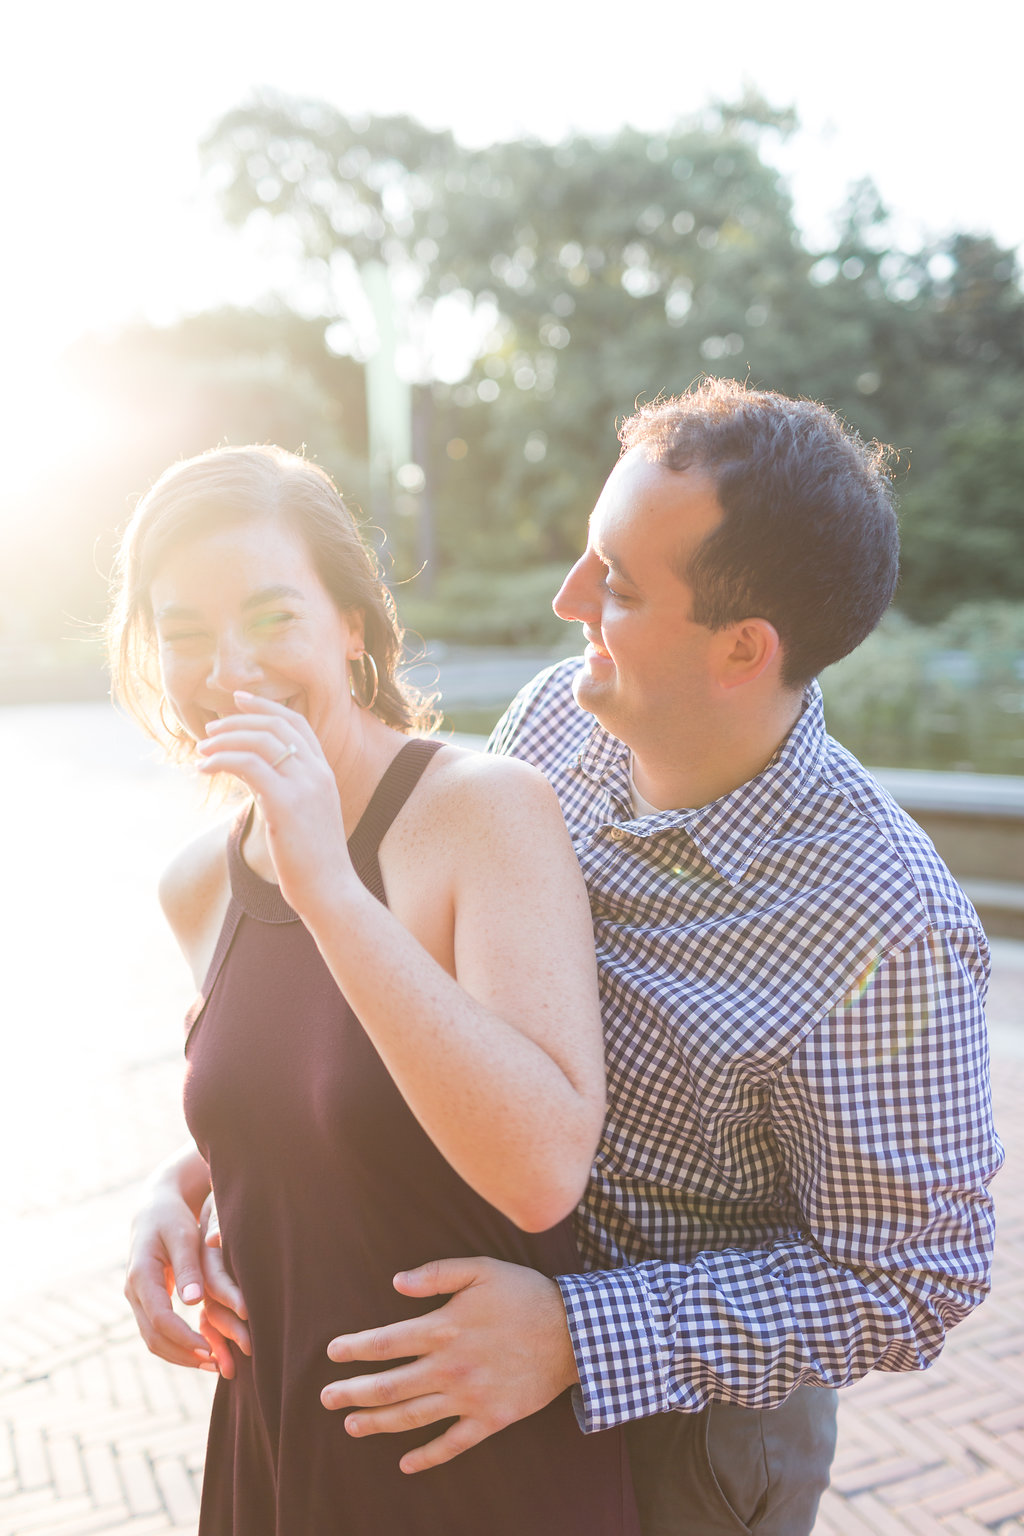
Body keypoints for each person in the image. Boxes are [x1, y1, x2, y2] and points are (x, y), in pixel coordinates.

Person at [130, 380, 1003, 1536]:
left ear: (742, 648)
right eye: (590, 554)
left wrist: (580, 1333)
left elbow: (913, 1279)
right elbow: (417, 1001)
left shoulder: (887, 923)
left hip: (690, 1427)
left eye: (618, 585)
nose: (566, 598)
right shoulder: (555, 723)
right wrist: (204, 1167)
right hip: (442, 1348)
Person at [114, 444, 640, 1536]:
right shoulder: (195, 883)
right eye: (185, 633)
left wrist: (329, 887)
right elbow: (327, 1110)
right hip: (274, 1448)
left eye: (271, 617)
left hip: (469, 1466)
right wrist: (179, 1190)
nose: (228, 667)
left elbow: (542, 1169)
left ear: (352, 626)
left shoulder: (483, 811)